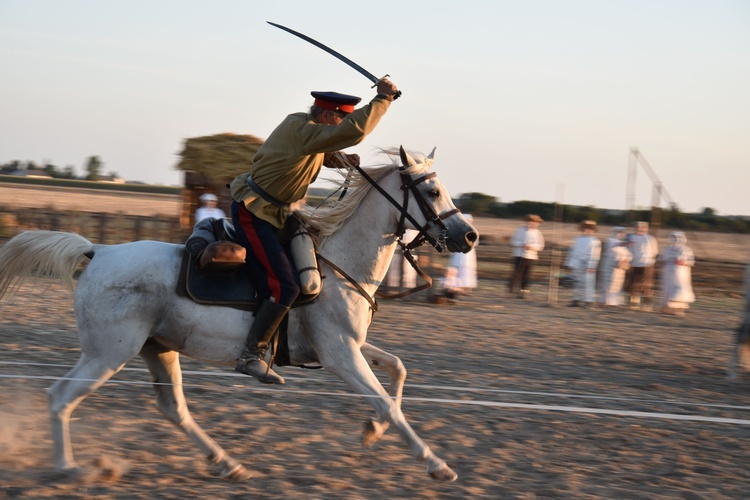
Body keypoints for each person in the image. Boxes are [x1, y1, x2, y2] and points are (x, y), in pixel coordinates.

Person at [228, 79, 400, 384]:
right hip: (254, 213)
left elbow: (319, 149)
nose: (342, 126)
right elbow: (352, 132)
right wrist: (382, 101)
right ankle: (250, 356)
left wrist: (339, 159)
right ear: (326, 116)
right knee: (285, 286)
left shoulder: (305, 128)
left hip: (277, 214)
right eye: (341, 120)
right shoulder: (301, 128)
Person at [564, 220, 601, 307]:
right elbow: (572, 251)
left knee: (588, 282)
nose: (587, 231)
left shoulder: (595, 241)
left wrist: (592, 266)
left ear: (593, 230)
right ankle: (576, 299)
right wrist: (569, 263)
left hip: (588, 263)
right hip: (577, 263)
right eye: (585, 229)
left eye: (590, 229)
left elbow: (595, 255)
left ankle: (589, 300)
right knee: (577, 282)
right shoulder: (577, 239)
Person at [659, 231, 695, 316]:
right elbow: (663, 258)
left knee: (680, 289)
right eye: (674, 238)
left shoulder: (686, 249)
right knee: (668, 289)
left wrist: (683, 262)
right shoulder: (668, 248)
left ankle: (679, 309)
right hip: (668, 271)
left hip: (681, 272)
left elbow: (691, 261)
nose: (676, 240)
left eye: (677, 238)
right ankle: (668, 308)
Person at [508, 214, 545, 298]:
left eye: (533, 222)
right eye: (529, 222)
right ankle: (511, 290)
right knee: (516, 273)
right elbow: (513, 241)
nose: (531, 223)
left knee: (527, 274)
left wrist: (532, 246)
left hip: (531, 256)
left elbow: (541, 246)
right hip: (519, 255)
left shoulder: (538, 233)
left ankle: (523, 291)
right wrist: (521, 244)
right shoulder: (520, 230)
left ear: (537, 223)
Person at [625, 221, 659, 311]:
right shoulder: (631, 237)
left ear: (646, 228)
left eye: (642, 227)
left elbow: (655, 251)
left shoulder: (650, 238)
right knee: (633, 284)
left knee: (646, 284)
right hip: (634, 263)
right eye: (638, 227)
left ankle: (647, 304)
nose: (640, 229)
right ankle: (634, 303)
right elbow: (627, 248)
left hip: (647, 264)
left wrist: (649, 259)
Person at [598, 227, 632, 306]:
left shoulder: (624, 245)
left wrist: (625, 260)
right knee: (608, 284)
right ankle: (606, 301)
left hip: (620, 268)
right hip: (609, 266)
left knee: (617, 284)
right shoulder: (610, 240)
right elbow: (614, 246)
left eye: (622, 232)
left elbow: (629, 255)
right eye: (619, 232)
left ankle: (614, 302)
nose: (620, 234)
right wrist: (625, 243)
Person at [448, 214, 478, 294]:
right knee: (458, 269)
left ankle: (466, 287)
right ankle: (456, 286)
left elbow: (474, 242)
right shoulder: (458, 231)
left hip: (468, 254)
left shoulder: (473, 231)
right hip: (459, 253)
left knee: (467, 270)